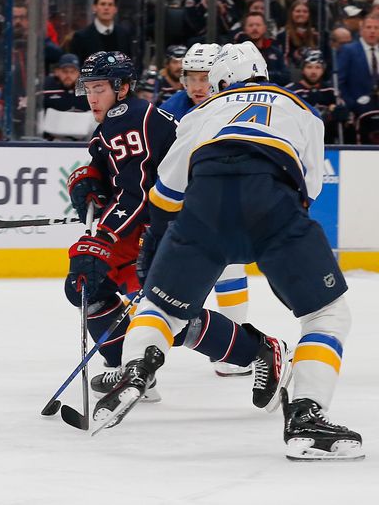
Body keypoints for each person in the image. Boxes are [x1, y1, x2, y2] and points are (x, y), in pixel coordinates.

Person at [92, 42, 362, 461]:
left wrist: (161, 252)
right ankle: (306, 414)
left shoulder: (203, 113)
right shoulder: (302, 108)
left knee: (160, 305)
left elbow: (165, 193)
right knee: (326, 313)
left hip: (205, 207)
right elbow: (309, 188)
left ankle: (137, 366)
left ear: (220, 83)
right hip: (273, 204)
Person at [65, 51, 289, 401]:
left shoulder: (129, 119)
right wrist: (86, 180)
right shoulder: (119, 119)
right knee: (93, 286)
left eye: (100, 88)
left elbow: (135, 192)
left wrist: (102, 236)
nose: (92, 97)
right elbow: (108, 168)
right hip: (154, 225)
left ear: (122, 88)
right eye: (88, 88)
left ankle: (259, 351)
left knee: (167, 311)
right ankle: (130, 367)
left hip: (174, 225)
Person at [159, 42, 253, 377]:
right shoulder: (170, 109)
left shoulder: (238, 106)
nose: (197, 86)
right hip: (185, 205)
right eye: (190, 78)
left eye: (204, 77)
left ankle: (237, 343)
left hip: (225, 201)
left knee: (230, 268)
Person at [286, 49, 347, 143]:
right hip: (299, 142)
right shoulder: (291, 91)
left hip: (327, 143)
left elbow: (345, 116)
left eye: (318, 67)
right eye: (309, 67)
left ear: (323, 69)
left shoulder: (331, 92)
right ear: (302, 69)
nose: (313, 71)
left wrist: (341, 113)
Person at [69, 0, 132, 64]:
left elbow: (130, 63)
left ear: (115, 9)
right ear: (94, 8)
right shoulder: (81, 37)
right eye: (103, 4)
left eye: (110, 5)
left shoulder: (124, 35)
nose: (106, 8)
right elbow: (76, 68)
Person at [337, 12, 379, 115]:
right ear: (361, 30)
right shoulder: (348, 50)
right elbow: (340, 81)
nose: (372, 31)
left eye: (376, 28)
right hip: (357, 110)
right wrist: (351, 104)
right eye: (369, 27)